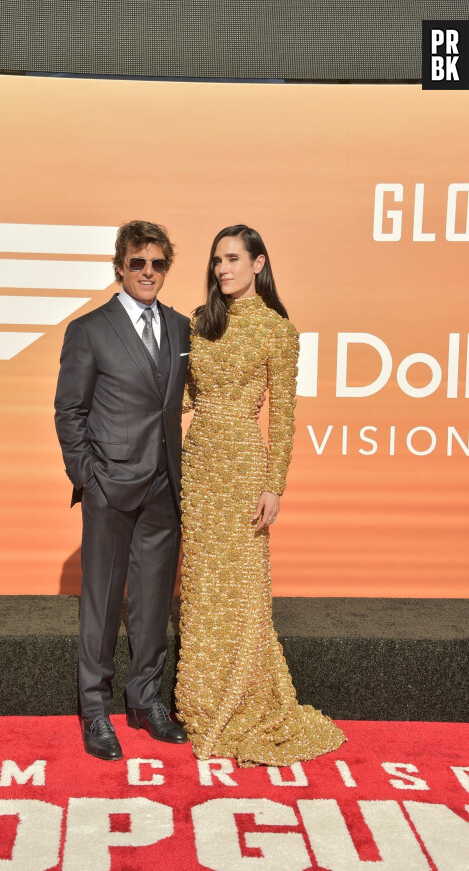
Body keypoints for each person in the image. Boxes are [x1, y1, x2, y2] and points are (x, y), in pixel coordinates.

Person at [175, 224, 346, 766]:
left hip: (246, 468)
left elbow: (287, 417)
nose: (222, 269)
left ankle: (246, 699)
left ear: (258, 263)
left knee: (243, 590)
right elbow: (180, 398)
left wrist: (276, 484)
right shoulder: (200, 324)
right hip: (199, 464)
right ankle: (201, 698)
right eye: (216, 261)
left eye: (232, 259)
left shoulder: (278, 331)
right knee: (203, 585)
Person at [54, 220, 191, 760]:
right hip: (110, 485)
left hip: (164, 486)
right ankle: (94, 709)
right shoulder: (89, 330)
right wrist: (88, 477)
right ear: (120, 267)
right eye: (138, 263)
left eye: (158, 263)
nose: (148, 272)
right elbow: (70, 411)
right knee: (103, 602)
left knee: (154, 601)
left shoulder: (181, 328)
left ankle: (146, 699)